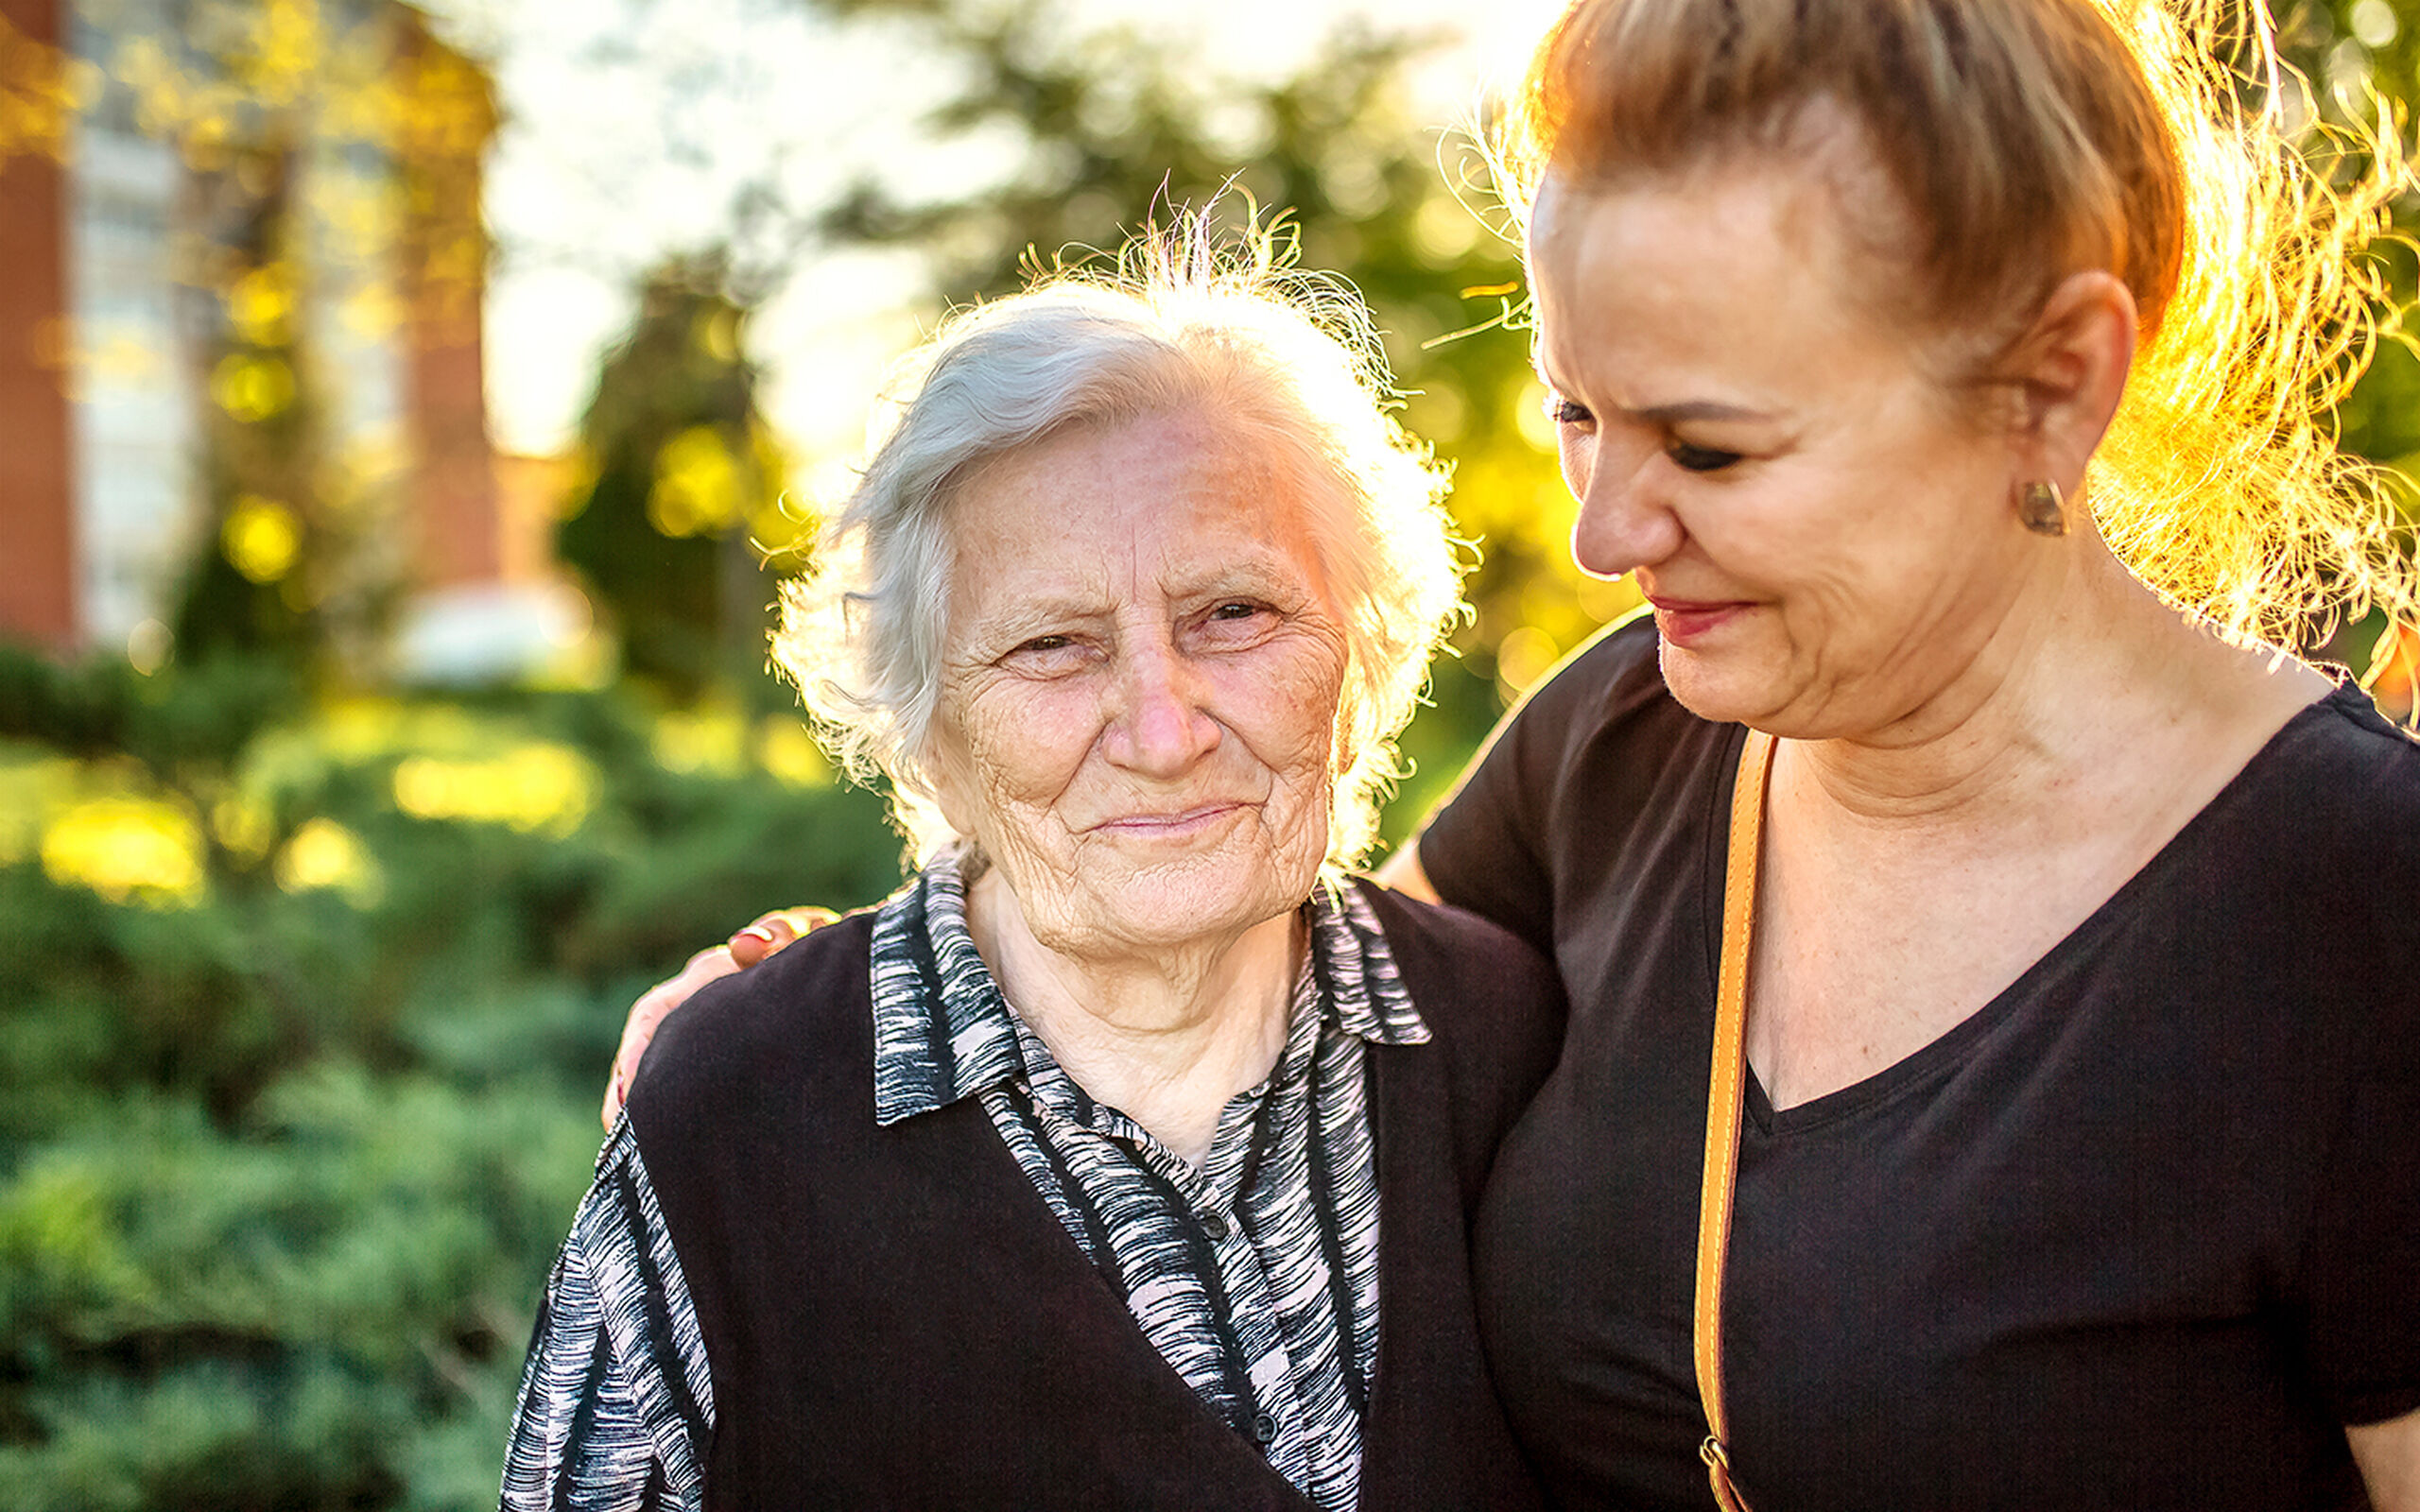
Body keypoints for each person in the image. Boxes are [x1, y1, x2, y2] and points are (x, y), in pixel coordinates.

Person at [602, 2, 2420, 1507]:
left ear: (2055, 382)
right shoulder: (1630, 736)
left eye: (1708, 448)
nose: (1605, 532)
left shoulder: (2356, 905)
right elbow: (1239, 969)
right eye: (1576, 412)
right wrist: (831, 1020)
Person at [501, 231, 1564, 1510]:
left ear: (1361, 662)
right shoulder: (735, 1119)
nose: (1163, 731)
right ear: (929, 735)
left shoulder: (1509, 1037)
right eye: (1053, 645)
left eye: (1235, 613)